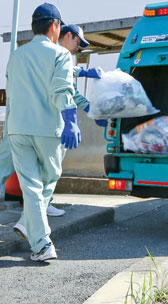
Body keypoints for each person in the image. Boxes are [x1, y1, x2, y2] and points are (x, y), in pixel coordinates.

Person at [0, 24, 106, 217]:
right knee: (44, 168)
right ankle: (37, 211)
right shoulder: (54, 53)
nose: (77, 48)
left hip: (19, 121)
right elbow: (63, 87)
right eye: (77, 42)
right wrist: (82, 75)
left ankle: (38, 210)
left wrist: (90, 108)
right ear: (67, 35)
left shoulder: (35, 53)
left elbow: (69, 90)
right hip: (41, 122)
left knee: (24, 167)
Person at [6, 3, 80, 262]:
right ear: (55, 26)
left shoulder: (16, 55)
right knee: (48, 180)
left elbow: (12, 91)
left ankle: (38, 240)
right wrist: (70, 119)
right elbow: (62, 90)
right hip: (47, 129)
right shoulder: (60, 54)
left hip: (16, 129)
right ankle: (37, 235)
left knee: (31, 186)